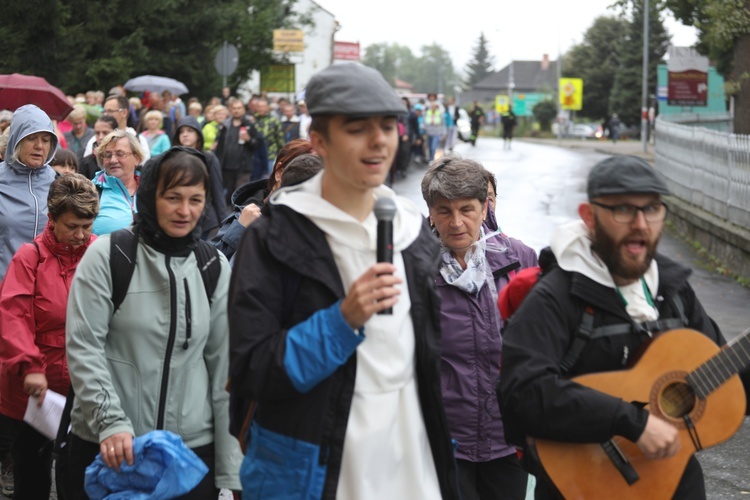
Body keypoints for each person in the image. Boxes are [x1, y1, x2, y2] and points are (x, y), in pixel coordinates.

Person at [229, 62, 459, 499]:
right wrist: (342, 321)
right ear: (320, 141)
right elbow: (252, 370)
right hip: (315, 470)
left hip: (409, 468)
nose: (378, 141)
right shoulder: (275, 236)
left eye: (388, 126)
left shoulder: (411, 231)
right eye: (357, 129)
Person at [499, 155, 750, 499]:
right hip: (578, 485)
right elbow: (522, 392)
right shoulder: (555, 295)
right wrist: (633, 422)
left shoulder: (673, 289)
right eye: (623, 210)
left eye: (652, 209)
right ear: (589, 216)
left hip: (672, 480)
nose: (641, 224)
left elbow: (722, 378)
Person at [61, 148, 242, 499]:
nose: (185, 211)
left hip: (189, 455)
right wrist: (110, 422)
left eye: (195, 199)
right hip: (110, 446)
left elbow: (225, 371)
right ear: (150, 195)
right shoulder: (110, 255)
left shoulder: (213, 266)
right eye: (173, 197)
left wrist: (230, 469)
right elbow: (85, 348)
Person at [421, 157, 536, 500]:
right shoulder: (414, 269)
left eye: (467, 209)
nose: (456, 222)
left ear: (485, 208)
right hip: (442, 442)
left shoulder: (520, 260)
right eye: (444, 211)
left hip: (508, 438)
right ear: (430, 213)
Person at [0, 173, 99, 499]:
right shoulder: (30, 257)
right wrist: (29, 366)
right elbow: (13, 316)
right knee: (32, 474)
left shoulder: (98, 252)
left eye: (87, 226)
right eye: (72, 226)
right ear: (52, 219)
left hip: (84, 384)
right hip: (35, 389)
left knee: (80, 473)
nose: (81, 235)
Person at [211, 138, 313, 260]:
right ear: (279, 172)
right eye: (301, 174)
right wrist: (240, 228)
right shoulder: (245, 213)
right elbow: (211, 263)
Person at [0, 104, 57, 282]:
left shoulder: (59, 182)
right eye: (31, 138)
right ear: (16, 140)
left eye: (46, 140)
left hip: (45, 289)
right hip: (4, 287)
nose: (39, 146)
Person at [172, 116, 226, 238]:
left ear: (198, 134)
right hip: (179, 215)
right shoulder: (173, 159)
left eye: (190, 131)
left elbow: (217, 192)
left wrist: (225, 223)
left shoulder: (209, 159)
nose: (185, 134)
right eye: (181, 131)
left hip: (203, 218)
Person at [92, 129, 144, 235]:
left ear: (137, 158)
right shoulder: (90, 191)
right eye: (108, 155)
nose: (113, 160)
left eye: (120, 154)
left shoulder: (150, 189)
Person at [215, 99, 261, 205]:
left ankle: (239, 219)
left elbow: (257, 144)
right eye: (234, 108)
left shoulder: (249, 124)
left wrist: (248, 139)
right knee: (227, 196)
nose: (236, 111)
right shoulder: (225, 125)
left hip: (243, 167)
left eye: (239, 108)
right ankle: (227, 219)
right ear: (230, 110)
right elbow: (220, 146)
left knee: (240, 196)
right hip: (227, 166)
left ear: (244, 109)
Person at [84, 95, 150, 161]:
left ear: (124, 112)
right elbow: (86, 164)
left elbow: (144, 166)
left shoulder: (138, 140)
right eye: (104, 111)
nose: (105, 115)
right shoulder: (96, 139)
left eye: (110, 111)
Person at [78, 115, 118, 180]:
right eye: (97, 133)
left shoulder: (123, 158)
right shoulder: (86, 163)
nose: (100, 137)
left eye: (105, 133)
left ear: (115, 132)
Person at [253, 97, 284, 177]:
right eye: (259, 106)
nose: (261, 109)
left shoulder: (274, 121)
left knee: (267, 180)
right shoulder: (252, 120)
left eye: (263, 106)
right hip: (255, 156)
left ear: (267, 107)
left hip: (270, 155)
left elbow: (280, 140)